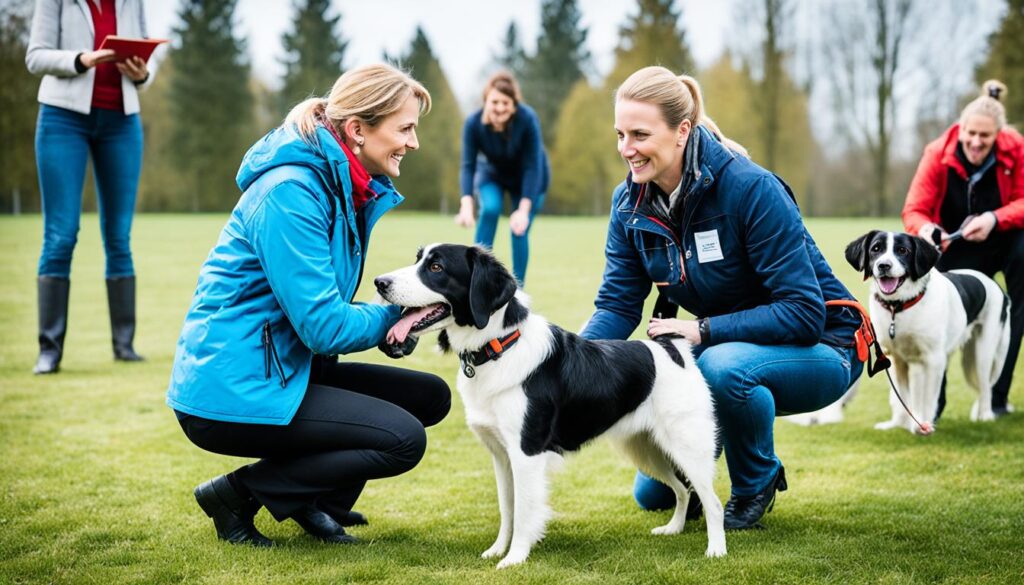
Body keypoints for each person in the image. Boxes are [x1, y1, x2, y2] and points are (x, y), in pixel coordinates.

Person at [166, 64, 451, 547]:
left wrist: (399, 323)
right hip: (232, 388)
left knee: (430, 398)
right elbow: (322, 326)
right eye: (405, 128)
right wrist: (395, 320)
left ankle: (316, 501)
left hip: (284, 371)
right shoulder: (292, 192)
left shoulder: (341, 186)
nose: (413, 142)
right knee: (404, 439)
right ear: (358, 130)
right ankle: (237, 494)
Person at [579, 66, 865, 531]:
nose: (625, 149)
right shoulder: (627, 203)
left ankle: (757, 482)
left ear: (682, 131)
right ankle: (713, 456)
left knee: (724, 368)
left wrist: (702, 330)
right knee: (653, 493)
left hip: (827, 347)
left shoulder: (751, 189)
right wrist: (576, 360)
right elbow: (618, 304)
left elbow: (804, 312)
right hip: (728, 343)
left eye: (639, 134)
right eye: (620, 134)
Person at [26, 0, 154, 374]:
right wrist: (81, 59)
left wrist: (143, 72)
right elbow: (36, 56)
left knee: (119, 236)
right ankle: (49, 350)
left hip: (122, 124)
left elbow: (148, 56)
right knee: (61, 235)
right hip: (62, 120)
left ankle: (124, 345)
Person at [903, 80, 1024, 419]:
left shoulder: (1017, 148)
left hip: (1005, 243)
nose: (975, 141)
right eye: (970, 133)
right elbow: (913, 210)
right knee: (934, 312)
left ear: (998, 135)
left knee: (1021, 277)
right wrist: (927, 230)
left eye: (984, 137)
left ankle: (995, 399)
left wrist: (995, 219)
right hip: (951, 247)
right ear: (961, 128)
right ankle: (933, 407)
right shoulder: (936, 153)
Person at [454, 71, 549, 286]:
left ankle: (519, 290)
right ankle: (477, 281)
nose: (499, 108)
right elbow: (468, 165)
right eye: (494, 101)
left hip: (529, 179)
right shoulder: (473, 124)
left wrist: (523, 210)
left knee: (519, 229)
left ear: (514, 105)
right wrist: (466, 205)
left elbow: (533, 167)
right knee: (490, 209)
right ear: (486, 100)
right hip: (493, 174)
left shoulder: (527, 119)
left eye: (505, 103)